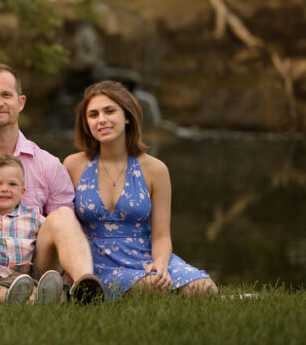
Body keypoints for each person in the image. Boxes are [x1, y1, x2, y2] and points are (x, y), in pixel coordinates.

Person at [0, 63, 104, 306]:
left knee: (64, 215)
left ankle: (84, 286)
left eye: (6, 95)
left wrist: (61, 280)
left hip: (36, 268)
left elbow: (66, 236)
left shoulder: (48, 165)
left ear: (21, 102)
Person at [63, 81, 218, 299]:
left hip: (144, 255)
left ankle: (162, 285)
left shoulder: (156, 169)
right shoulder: (73, 165)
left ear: (127, 116)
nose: (102, 120)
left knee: (204, 289)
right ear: (86, 122)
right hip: (95, 259)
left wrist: (160, 264)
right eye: (93, 114)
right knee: (151, 290)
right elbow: (63, 226)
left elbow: (161, 235)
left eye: (109, 111)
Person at [0, 154, 64, 305]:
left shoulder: (34, 218)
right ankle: (19, 300)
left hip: (27, 278)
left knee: (32, 291)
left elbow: (55, 237)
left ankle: (37, 298)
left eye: (12, 184)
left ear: (23, 192)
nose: (4, 189)